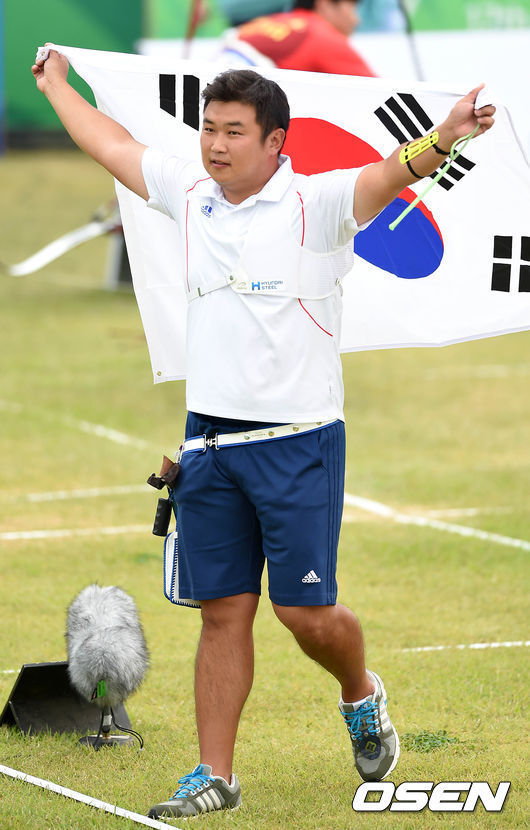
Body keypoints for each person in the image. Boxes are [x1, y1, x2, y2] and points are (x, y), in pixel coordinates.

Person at [32, 49, 495, 819]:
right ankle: (214, 774)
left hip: (299, 444)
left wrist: (445, 136)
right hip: (209, 447)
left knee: (304, 616)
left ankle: (360, 692)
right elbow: (111, 145)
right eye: (209, 129)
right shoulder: (190, 194)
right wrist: (56, 87)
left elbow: (392, 173)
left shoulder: (319, 203)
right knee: (223, 613)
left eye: (234, 132)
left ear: (275, 141)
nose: (215, 145)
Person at [221, 0, 376, 76]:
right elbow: (379, 95)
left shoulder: (260, 23)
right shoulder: (321, 36)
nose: (357, 20)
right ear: (325, 3)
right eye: (353, 7)